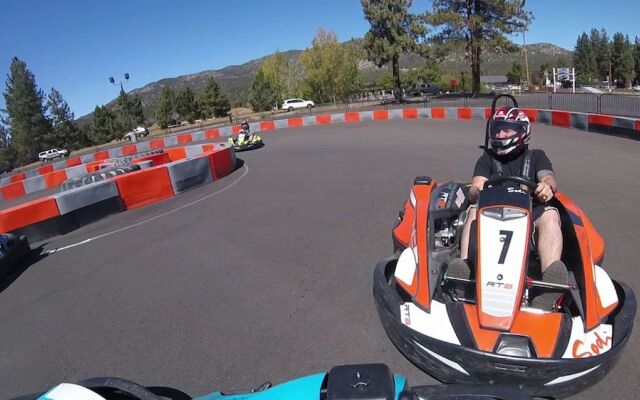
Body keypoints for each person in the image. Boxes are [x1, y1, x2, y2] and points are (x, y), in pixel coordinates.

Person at [449, 107, 568, 310]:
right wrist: (476, 191)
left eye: (507, 130)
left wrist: (546, 187)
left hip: (529, 216)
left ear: (522, 132)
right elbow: (476, 185)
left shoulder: (536, 156)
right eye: (498, 130)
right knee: (472, 212)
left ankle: (549, 284)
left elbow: (548, 178)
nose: (501, 135)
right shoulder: (487, 159)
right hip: (492, 215)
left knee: (550, 214)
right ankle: (466, 270)